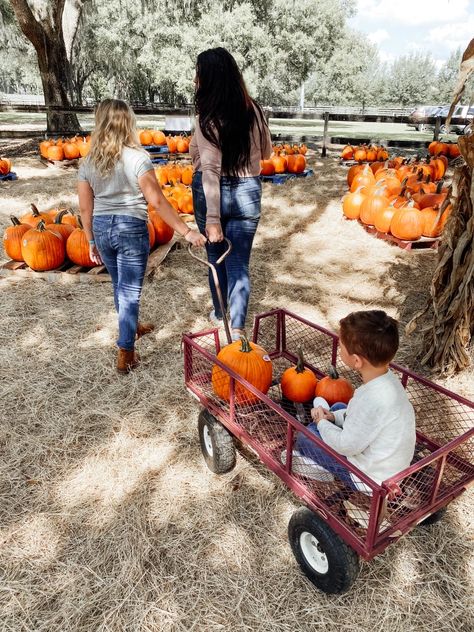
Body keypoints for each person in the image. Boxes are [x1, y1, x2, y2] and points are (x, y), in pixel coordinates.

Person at [78, 99, 206, 374]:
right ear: (128, 123)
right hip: (131, 229)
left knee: (119, 285)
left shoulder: (88, 161)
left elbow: (85, 207)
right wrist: (186, 231)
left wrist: (90, 239)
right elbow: (157, 202)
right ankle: (126, 350)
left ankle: (132, 326)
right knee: (130, 292)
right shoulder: (138, 158)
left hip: (101, 227)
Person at [282, 310, 416, 492]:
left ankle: (318, 469)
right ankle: (326, 425)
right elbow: (361, 418)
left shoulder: (370, 399)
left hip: (369, 479)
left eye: (341, 345)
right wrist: (333, 417)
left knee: (306, 437)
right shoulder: (388, 382)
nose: (339, 347)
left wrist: (322, 423)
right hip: (386, 463)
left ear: (356, 361)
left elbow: (346, 445)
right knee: (338, 408)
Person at [190, 47, 272, 341]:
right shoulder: (255, 110)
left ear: (209, 78)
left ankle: (220, 314)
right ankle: (236, 328)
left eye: (198, 73)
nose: (195, 79)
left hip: (212, 193)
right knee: (238, 262)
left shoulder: (206, 116)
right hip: (248, 189)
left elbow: (210, 169)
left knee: (216, 258)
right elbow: (267, 153)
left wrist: (213, 218)